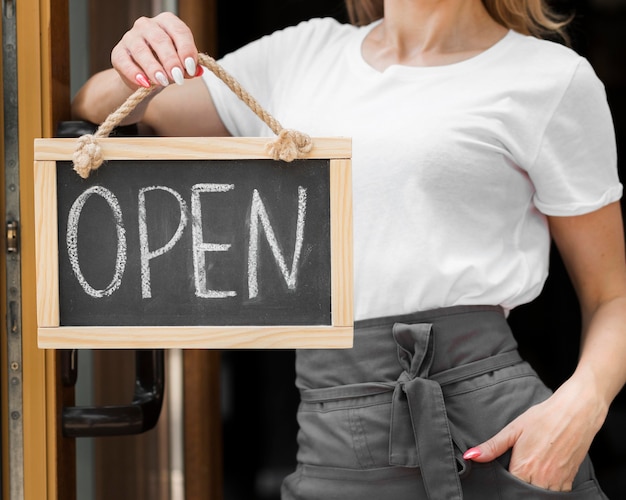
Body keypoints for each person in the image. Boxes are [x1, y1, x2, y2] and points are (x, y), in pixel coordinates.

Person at [72, 1, 626, 498]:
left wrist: (582, 406)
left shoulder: (552, 79)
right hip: (332, 418)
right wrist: (140, 54)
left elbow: (612, 295)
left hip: (497, 425)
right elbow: (102, 105)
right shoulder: (304, 53)